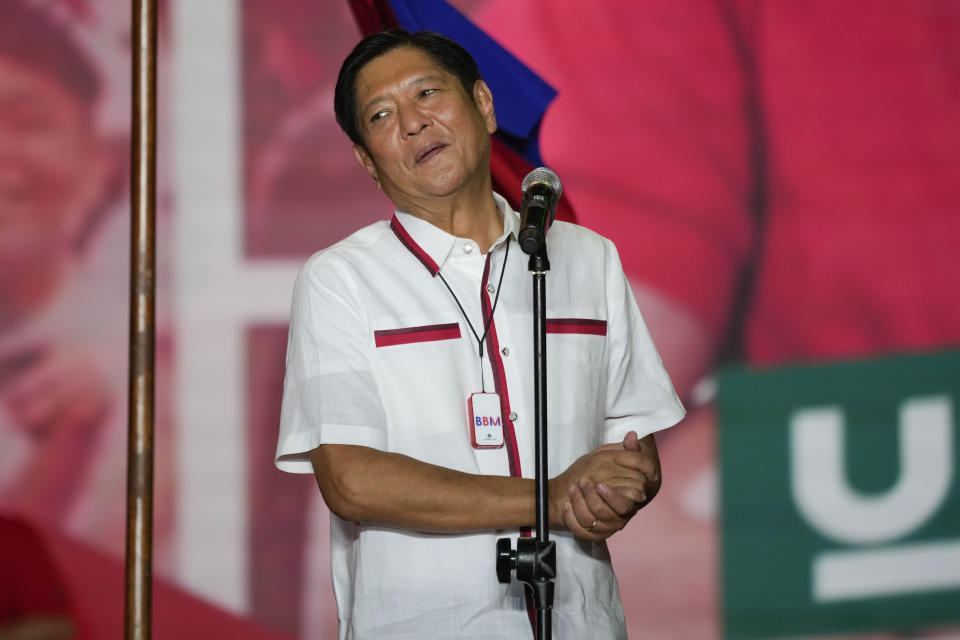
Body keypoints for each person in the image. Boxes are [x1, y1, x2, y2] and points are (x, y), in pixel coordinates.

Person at [274, 29, 685, 639]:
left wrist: (617, 489)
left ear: (484, 106)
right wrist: (548, 497)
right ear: (366, 161)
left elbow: (633, 446)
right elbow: (352, 480)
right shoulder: (341, 280)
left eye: (427, 94)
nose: (413, 123)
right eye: (382, 115)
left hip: (581, 621)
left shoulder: (585, 257)